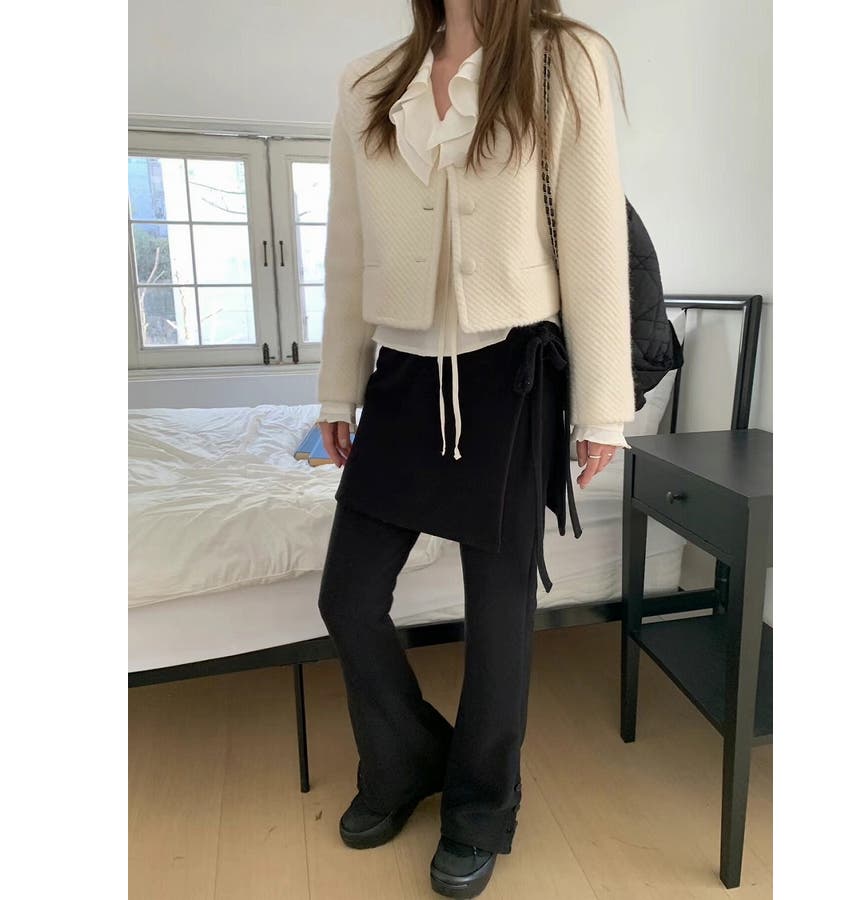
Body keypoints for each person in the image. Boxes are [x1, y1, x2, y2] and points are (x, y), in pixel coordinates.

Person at [315, 2, 635, 896]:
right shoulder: (369, 81)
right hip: (402, 373)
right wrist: (337, 385)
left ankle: (482, 807)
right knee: (347, 595)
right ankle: (407, 759)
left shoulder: (561, 59)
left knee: (499, 619)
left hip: (512, 373)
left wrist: (602, 409)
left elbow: (592, 235)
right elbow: (348, 246)